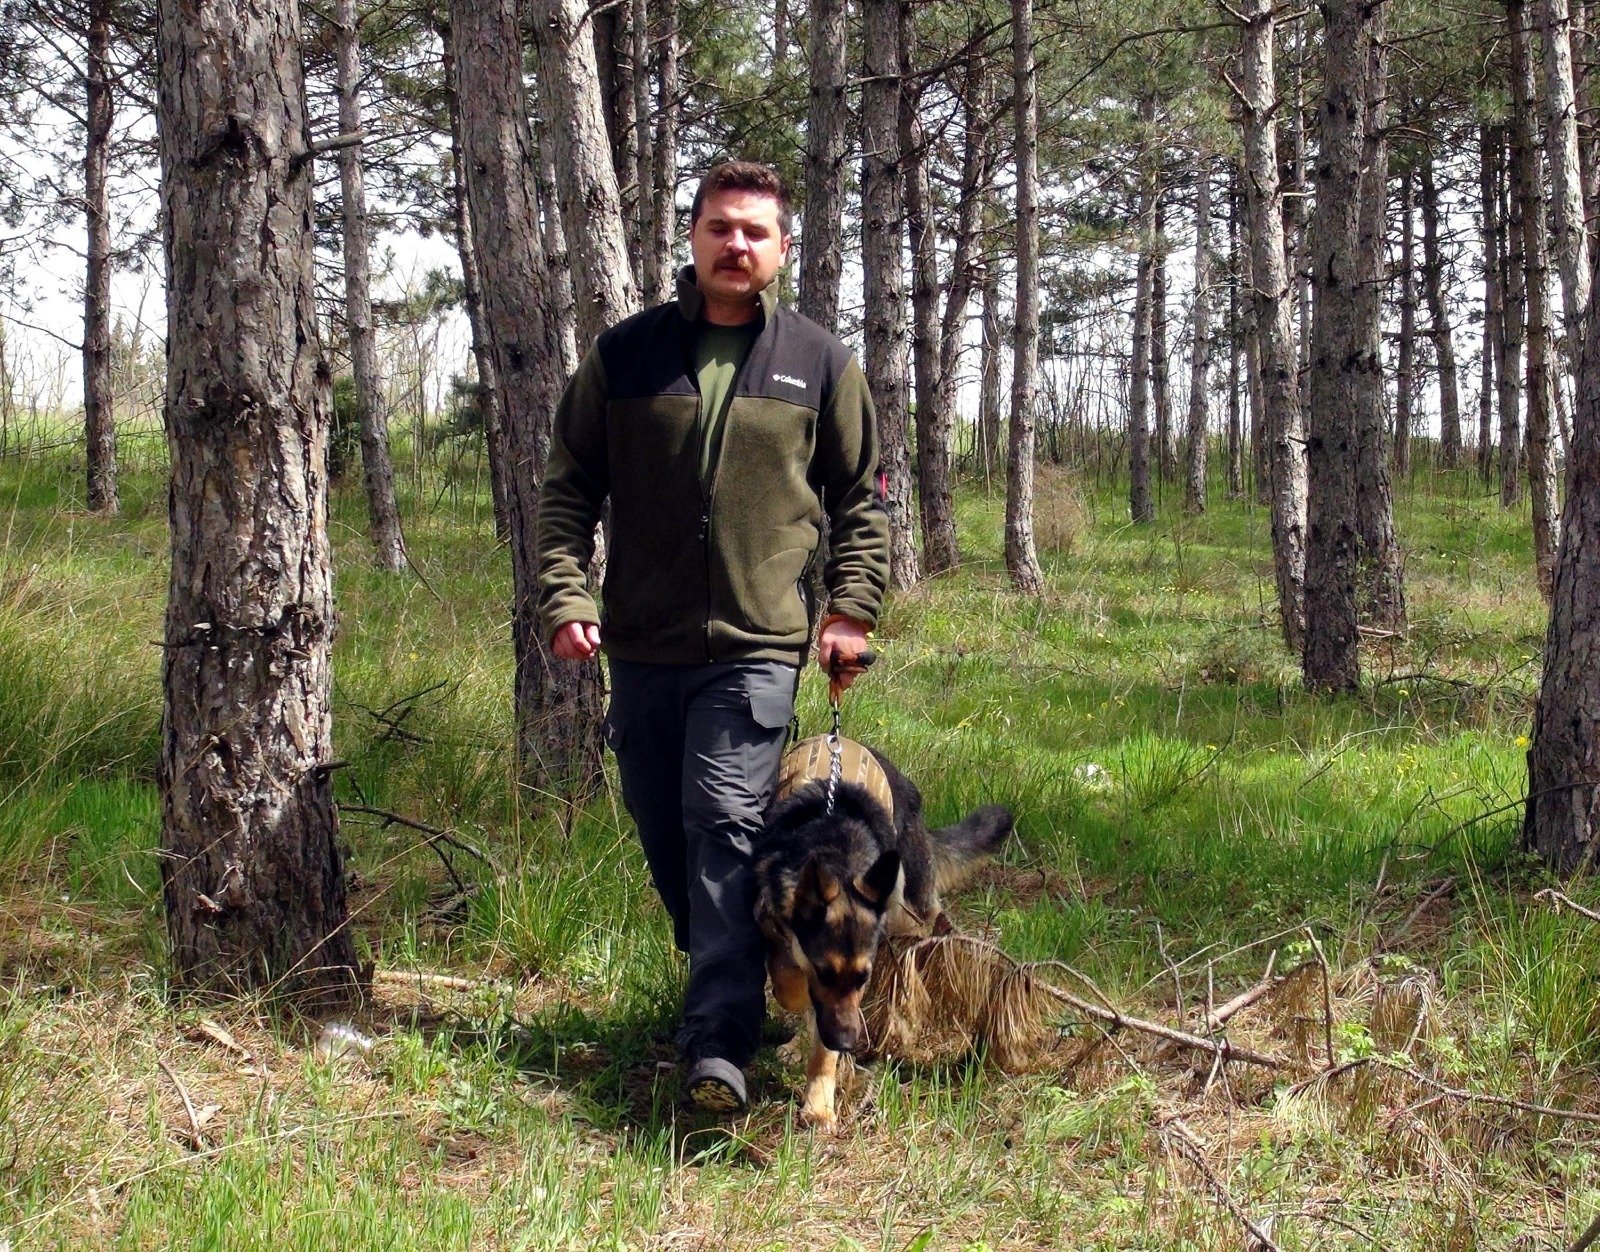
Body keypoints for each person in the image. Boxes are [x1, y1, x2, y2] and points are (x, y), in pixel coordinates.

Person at [533, 161, 891, 1114]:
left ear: (783, 249)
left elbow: (862, 501)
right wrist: (566, 594)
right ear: (692, 237)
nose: (738, 245)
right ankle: (734, 976)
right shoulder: (627, 355)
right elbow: (569, 487)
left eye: (756, 232)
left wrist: (850, 608)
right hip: (641, 646)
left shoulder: (819, 362)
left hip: (757, 644)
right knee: (666, 834)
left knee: (724, 829)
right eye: (721, 227)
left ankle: (718, 1047)